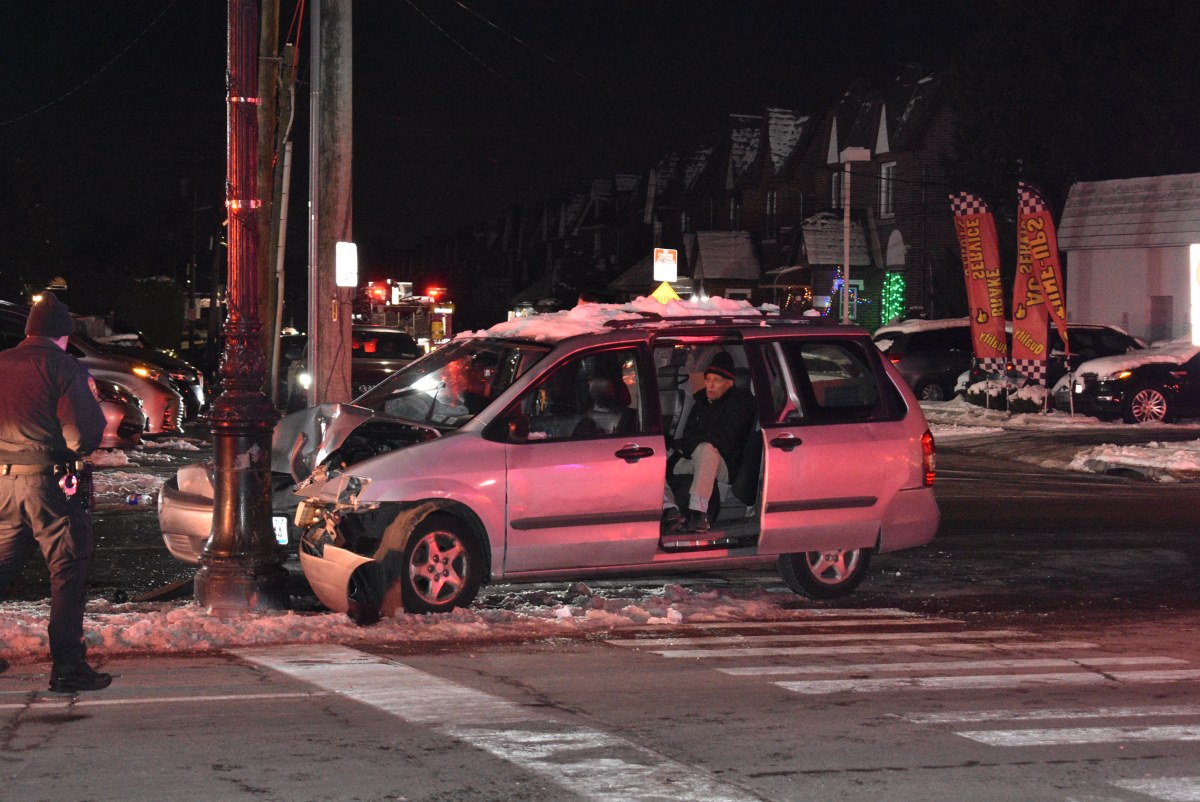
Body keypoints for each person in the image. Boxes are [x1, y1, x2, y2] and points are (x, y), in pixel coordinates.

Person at [0, 293, 111, 692]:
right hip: (50, 486)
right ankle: (67, 667)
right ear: (63, 335)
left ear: (29, 330)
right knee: (66, 572)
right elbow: (82, 434)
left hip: (2, 484)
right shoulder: (63, 367)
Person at [663, 350, 756, 534]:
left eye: (717, 380)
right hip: (695, 457)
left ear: (729, 383)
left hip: (723, 464)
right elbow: (689, 434)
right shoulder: (700, 404)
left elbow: (726, 441)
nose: (710, 385)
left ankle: (699, 513)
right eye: (708, 379)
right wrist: (681, 446)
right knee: (654, 456)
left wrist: (692, 444)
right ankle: (669, 510)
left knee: (706, 449)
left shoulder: (739, 405)